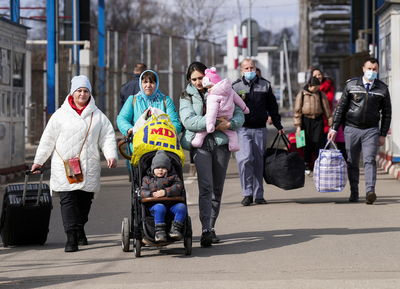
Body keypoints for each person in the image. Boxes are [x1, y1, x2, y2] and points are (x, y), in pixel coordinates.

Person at [31, 75, 118, 253]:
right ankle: (71, 237)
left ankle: (79, 228)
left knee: (84, 202)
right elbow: (47, 139)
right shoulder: (60, 115)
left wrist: (111, 155)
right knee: (68, 200)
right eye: (79, 90)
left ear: (90, 93)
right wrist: (38, 162)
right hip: (64, 166)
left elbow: (107, 136)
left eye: (86, 91)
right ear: (72, 93)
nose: (82, 94)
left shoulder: (98, 116)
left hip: (88, 165)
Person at [179, 61, 244, 247]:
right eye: (194, 79)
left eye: (201, 78)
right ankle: (205, 228)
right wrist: (214, 121)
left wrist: (230, 125)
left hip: (221, 144)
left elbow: (239, 113)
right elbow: (188, 121)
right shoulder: (186, 97)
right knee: (206, 187)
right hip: (201, 146)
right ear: (189, 80)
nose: (198, 82)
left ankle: (212, 226)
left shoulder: (222, 88)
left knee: (217, 188)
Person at [327, 57, 392, 204]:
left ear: (378, 70)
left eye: (374, 69)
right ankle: (354, 192)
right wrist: (334, 128)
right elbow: (340, 108)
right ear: (363, 69)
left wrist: (382, 134)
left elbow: (387, 113)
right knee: (352, 162)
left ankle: (370, 191)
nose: (371, 72)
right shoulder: (351, 85)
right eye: (369, 69)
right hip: (351, 129)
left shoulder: (382, 88)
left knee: (369, 160)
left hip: (371, 130)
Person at [232, 58, 284, 206]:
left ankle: (258, 194)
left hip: (260, 128)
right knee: (245, 159)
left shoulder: (265, 85)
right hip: (242, 129)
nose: (249, 71)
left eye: (252, 68)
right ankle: (247, 193)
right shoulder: (235, 87)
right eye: (246, 68)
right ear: (241, 70)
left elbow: (273, 107)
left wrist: (278, 125)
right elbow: (229, 107)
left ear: (256, 69)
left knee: (258, 161)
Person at [191, 67, 249, 152]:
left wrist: (210, 124)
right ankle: (234, 145)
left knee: (202, 132)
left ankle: (197, 141)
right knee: (232, 134)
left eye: (209, 87)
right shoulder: (230, 90)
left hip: (216, 119)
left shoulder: (213, 96)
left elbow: (212, 112)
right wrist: (245, 109)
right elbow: (239, 100)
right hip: (228, 117)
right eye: (194, 79)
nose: (209, 89)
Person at [117, 69, 182, 137]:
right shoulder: (133, 100)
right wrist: (129, 129)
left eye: (151, 82)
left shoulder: (165, 101)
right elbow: (122, 118)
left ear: (156, 84)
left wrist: (168, 132)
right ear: (140, 84)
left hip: (161, 143)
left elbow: (175, 122)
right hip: (137, 142)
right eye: (145, 82)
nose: (148, 85)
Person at [141, 150, 186, 242]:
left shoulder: (173, 177)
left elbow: (178, 187)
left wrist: (165, 192)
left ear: (168, 168)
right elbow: (142, 191)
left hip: (171, 205)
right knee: (160, 207)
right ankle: (159, 232)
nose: (160, 170)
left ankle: (175, 229)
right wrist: (151, 194)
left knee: (181, 207)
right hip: (153, 206)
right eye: (157, 168)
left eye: (163, 167)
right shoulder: (147, 179)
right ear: (153, 168)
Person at [294, 77, 333, 174]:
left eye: (317, 87)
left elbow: (327, 110)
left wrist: (331, 124)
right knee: (305, 143)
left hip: (318, 120)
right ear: (310, 86)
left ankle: (318, 163)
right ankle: (306, 164)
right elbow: (297, 111)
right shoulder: (302, 94)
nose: (316, 89)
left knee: (318, 142)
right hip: (305, 120)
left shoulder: (320, 94)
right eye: (314, 88)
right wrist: (298, 126)